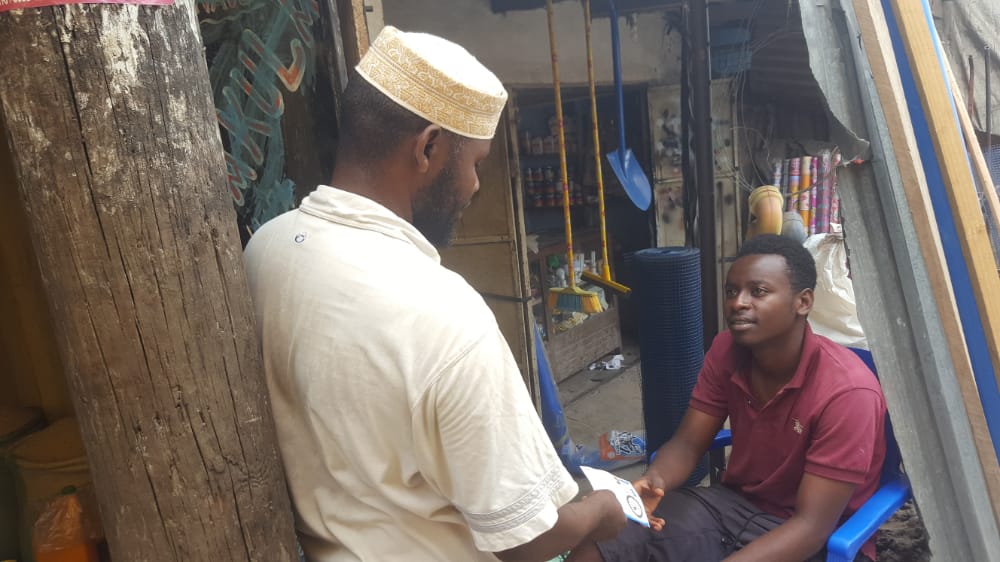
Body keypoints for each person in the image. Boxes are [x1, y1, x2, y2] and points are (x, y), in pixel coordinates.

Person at [243, 26, 626, 562]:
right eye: (476, 165)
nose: (475, 186)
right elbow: (527, 538)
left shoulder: (267, 247)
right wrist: (603, 509)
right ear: (427, 147)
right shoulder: (444, 314)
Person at [568, 234, 887, 562]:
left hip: (815, 540)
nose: (738, 303)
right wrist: (653, 480)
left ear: (803, 302)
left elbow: (811, 527)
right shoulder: (727, 351)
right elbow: (687, 444)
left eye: (758, 291)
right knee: (603, 543)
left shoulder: (847, 393)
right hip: (731, 508)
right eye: (732, 291)